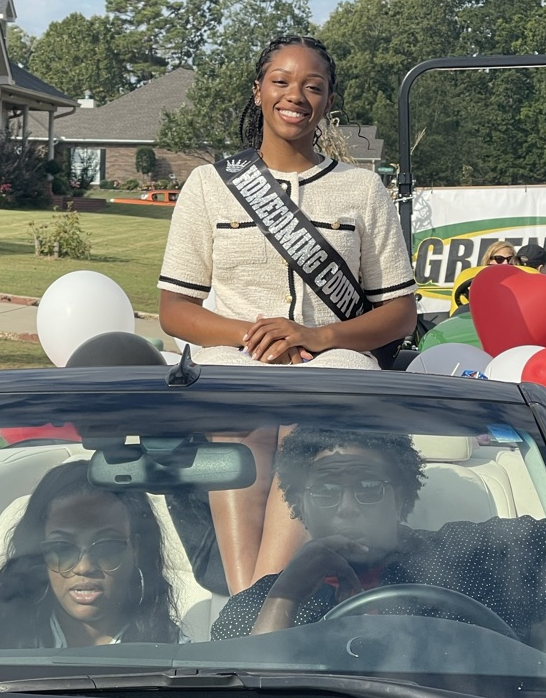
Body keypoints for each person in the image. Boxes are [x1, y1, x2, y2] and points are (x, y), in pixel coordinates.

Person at [157, 35, 417, 594]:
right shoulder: (209, 185)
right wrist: (255, 335)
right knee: (237, 412)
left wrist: (316, 336)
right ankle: (250, 600)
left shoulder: (362, 189)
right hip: (236, 358)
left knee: (313, 431)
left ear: (328, 102)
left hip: (333, 360)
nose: (295, 95)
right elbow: (174, 310)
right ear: (258, 91)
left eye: (312, 86)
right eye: (281, 81)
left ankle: (261, 602)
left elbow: (399, 313)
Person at [211, 426, 546, 642]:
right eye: (326, 492)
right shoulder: (261, 602)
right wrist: (286, 596)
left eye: (368, 488)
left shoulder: (472, 556)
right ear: (300, 507)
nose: (347, 507)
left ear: (401, 498)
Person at [0, 461, 181, 650]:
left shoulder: (173, 651)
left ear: (135, 549)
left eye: (106, 547)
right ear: (39, 553)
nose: (84, 567)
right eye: (61, 548)